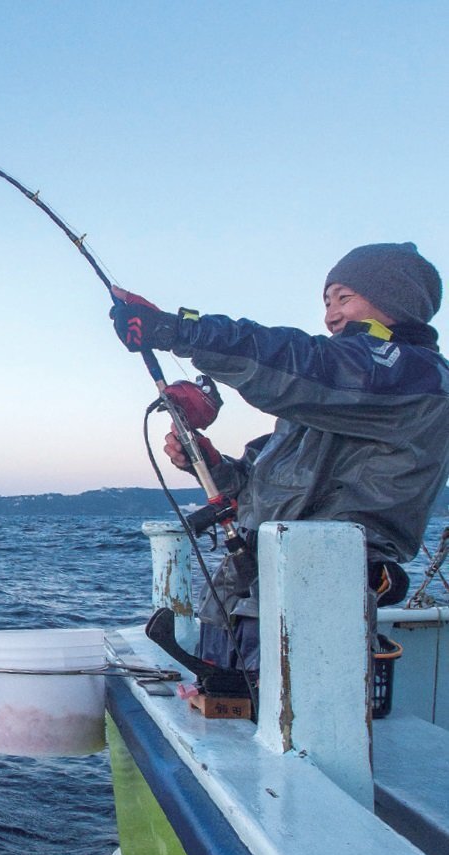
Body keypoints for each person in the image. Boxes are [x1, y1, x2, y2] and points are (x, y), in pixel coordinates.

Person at [110, 242, 449, 672]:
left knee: (288, 731)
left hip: (314, 598)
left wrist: (178, 329)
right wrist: (212, 465)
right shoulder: (345, 390)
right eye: (327, 302)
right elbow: (258, 483)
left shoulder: (414, 374)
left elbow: (296, 360)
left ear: (397, 300)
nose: (331, 315)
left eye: (344, 298)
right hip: (246, 599)